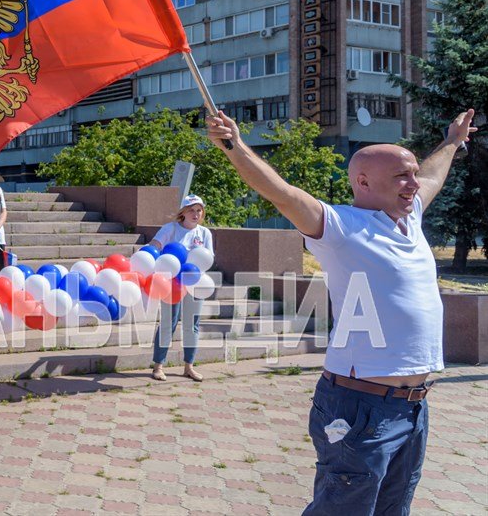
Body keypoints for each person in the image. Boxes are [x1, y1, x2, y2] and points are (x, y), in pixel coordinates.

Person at [205, 107, 476, 514]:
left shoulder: (410, 216)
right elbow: (281, 192)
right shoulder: (340, 227)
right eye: (402, 175)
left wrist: (453, 142)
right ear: (363, 182)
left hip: (413, 407)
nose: (414, 183)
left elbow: (434, 174)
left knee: (391, 509)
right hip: (360, 407)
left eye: (412, 174)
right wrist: (234, 145)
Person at [149, 194, 214, 382]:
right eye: (191, 210)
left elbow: (208, 257)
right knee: (169, 323)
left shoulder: (204, 233)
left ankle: (189, 367)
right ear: (183, 212)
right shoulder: (170, 229)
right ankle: (158, 366)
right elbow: (155, 245)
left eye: (199, 210)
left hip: (195, 282)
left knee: (192, 325)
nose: (196, 214)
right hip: (172, 283)